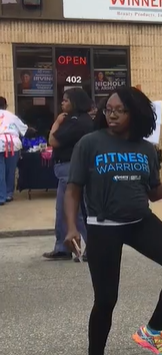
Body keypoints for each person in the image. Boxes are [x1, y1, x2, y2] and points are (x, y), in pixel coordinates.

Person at [63, 87, 162, 355]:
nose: (112, 115)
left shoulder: (146, 149)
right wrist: (72, 227)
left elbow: (153, 193)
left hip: (140, 222)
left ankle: (152, 331)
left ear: (135, 113)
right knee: (106, 300)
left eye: (119, 111)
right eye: (108, 110)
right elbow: (73, 189)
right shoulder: (89, 143)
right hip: (103, 227)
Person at [43, 88, 94, 261]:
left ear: (75, 102)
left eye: (66, 100)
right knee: (62, 211)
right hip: (65, 170)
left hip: (71, 169)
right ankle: (62, 248)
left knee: (74, 211)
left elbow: (53, 140)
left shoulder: (78, 121)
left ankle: (93, 247)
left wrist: (57, 122)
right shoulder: (73, 120)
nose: (62, 103)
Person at [0, 97, 27, 203]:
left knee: (0, 171)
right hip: (13, 144)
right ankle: (8, 194)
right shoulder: (12, 116)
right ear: (6, 106)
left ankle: (1, 196)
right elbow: (24, 129)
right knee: (10, 170)